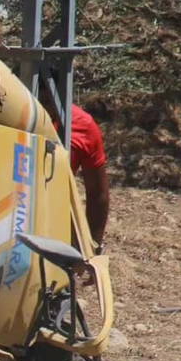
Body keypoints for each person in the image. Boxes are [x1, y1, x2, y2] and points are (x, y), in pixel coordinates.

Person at [40, 84, 110, 249]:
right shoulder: (4, 114)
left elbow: (97, 193)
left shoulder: (83, 126)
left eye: (47, 99)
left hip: (53, 225)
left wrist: (93, 247)